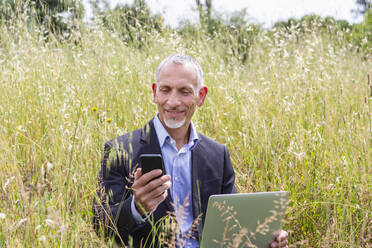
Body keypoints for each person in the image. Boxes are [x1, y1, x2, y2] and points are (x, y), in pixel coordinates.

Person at [93, 54, 288, 248]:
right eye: (165, 90)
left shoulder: (218, 155)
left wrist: (267, 238)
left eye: (184, 92)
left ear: (200, 96)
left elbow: (233, 225)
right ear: (155, 93)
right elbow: (100, 226)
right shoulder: (119, 150)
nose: (173, 101)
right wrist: (136, 208)